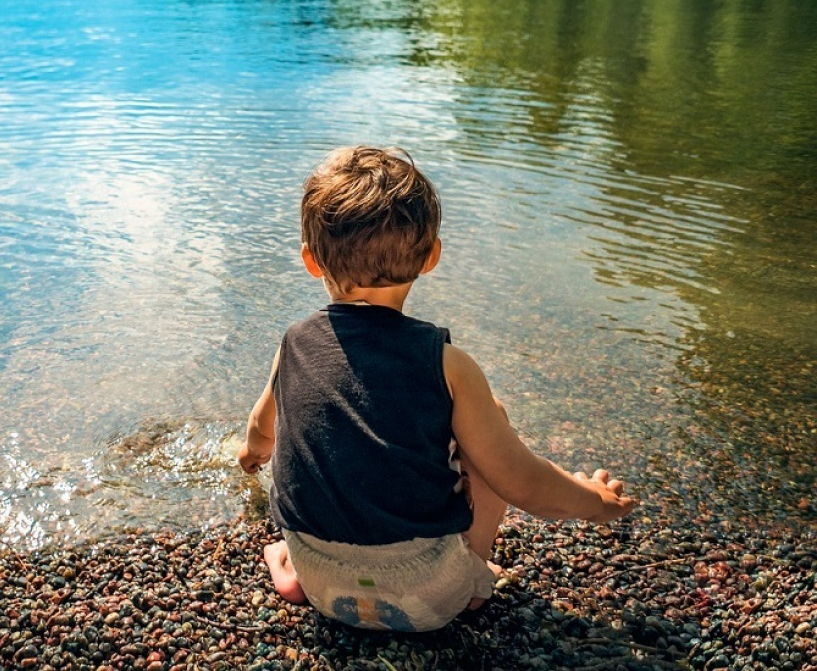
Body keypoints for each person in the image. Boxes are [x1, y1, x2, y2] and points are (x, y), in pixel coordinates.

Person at [237, 146, 636, 632]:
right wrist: (595, 501)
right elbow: (524, 484)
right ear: (431, 257)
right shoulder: (448, 365)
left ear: (310, 261)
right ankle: (474, 576)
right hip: (429, 597)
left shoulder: (293, 345)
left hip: (322, 584)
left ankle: (292, 569)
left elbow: (262, 429)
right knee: (490, 418)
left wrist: (251, 456)